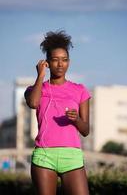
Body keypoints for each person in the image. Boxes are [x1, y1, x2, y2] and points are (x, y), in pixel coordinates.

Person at [24, 30, 92, 195]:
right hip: (44, 156)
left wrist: (76, 120)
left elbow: (85, 130)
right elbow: (33, 103)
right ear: (47, 62)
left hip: (72, 157)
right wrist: (40, 75)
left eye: (64, 60)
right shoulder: (35, 90)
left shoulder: (79, 90)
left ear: (69, 62)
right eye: (55, 60)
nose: (60, 64)